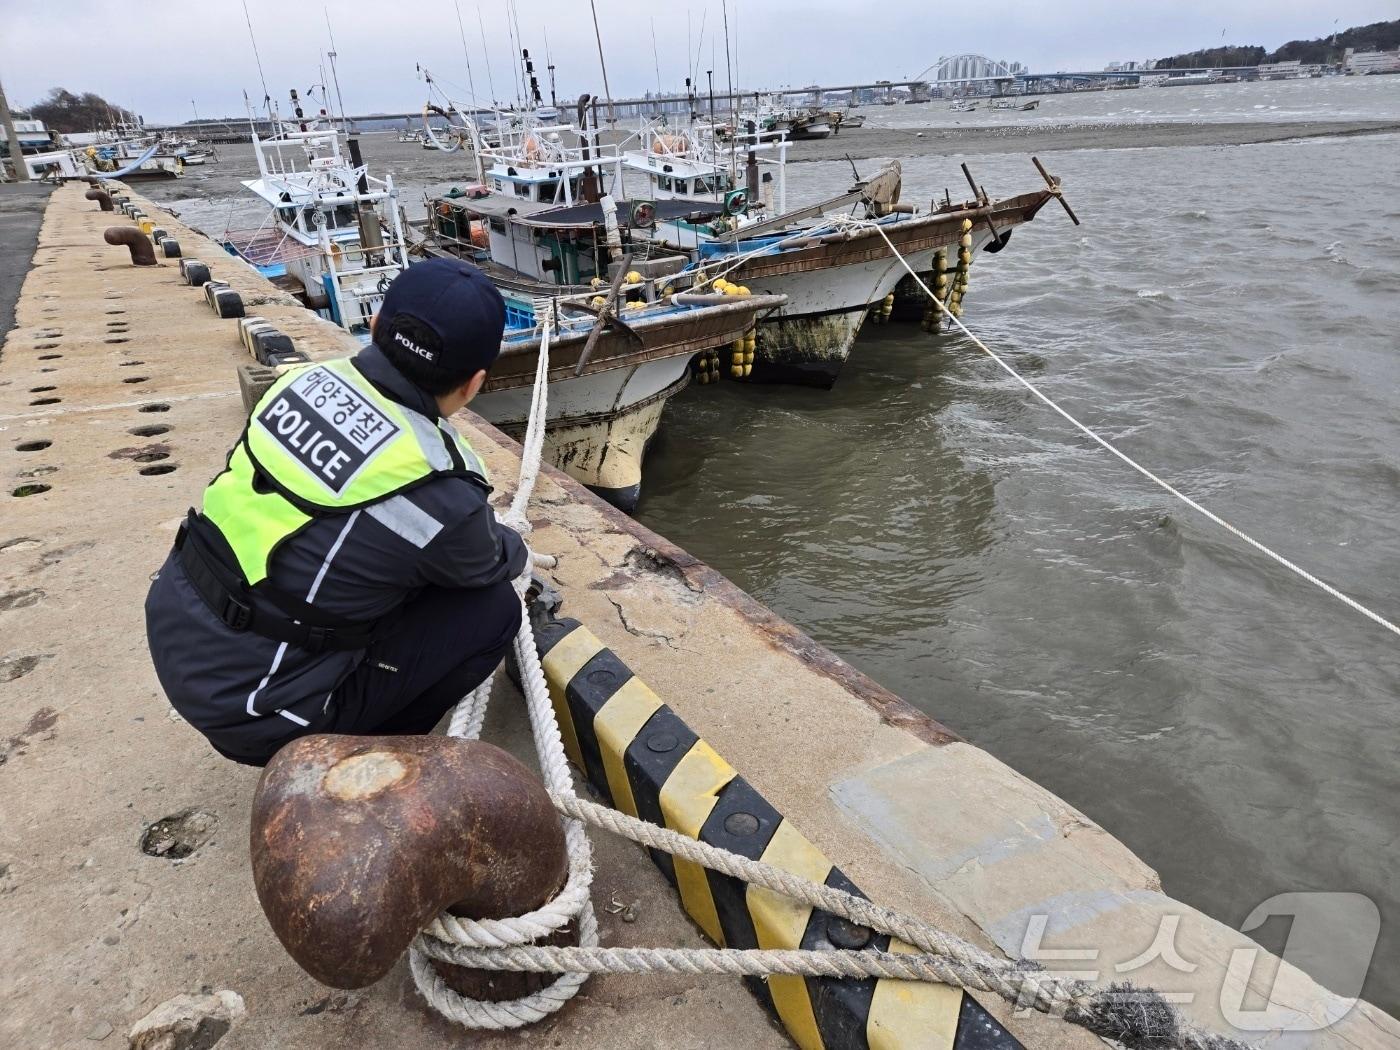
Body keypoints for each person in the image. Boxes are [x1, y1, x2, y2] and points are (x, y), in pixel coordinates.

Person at [145, 258, 527, 766]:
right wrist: (514, 541)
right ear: (474, 382)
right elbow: (488, 563)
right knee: (494, 610)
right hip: (261, 716)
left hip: (177, 630)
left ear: (373, 327)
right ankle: (365, 759)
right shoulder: (439, 482)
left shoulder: (298, 383)